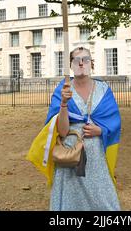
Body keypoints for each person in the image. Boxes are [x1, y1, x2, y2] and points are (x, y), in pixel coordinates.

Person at [27, 47, 121, 210]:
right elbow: (62, 131)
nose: (81, 63)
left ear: (92, 63)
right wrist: (63, 104)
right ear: (71, 65)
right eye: (76, 60)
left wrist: (100, 130)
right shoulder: (63, 90)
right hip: (70, 155)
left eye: (85, 59)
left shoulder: (104, 89)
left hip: (96, 158)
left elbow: (114, 122)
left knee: (103, 201)